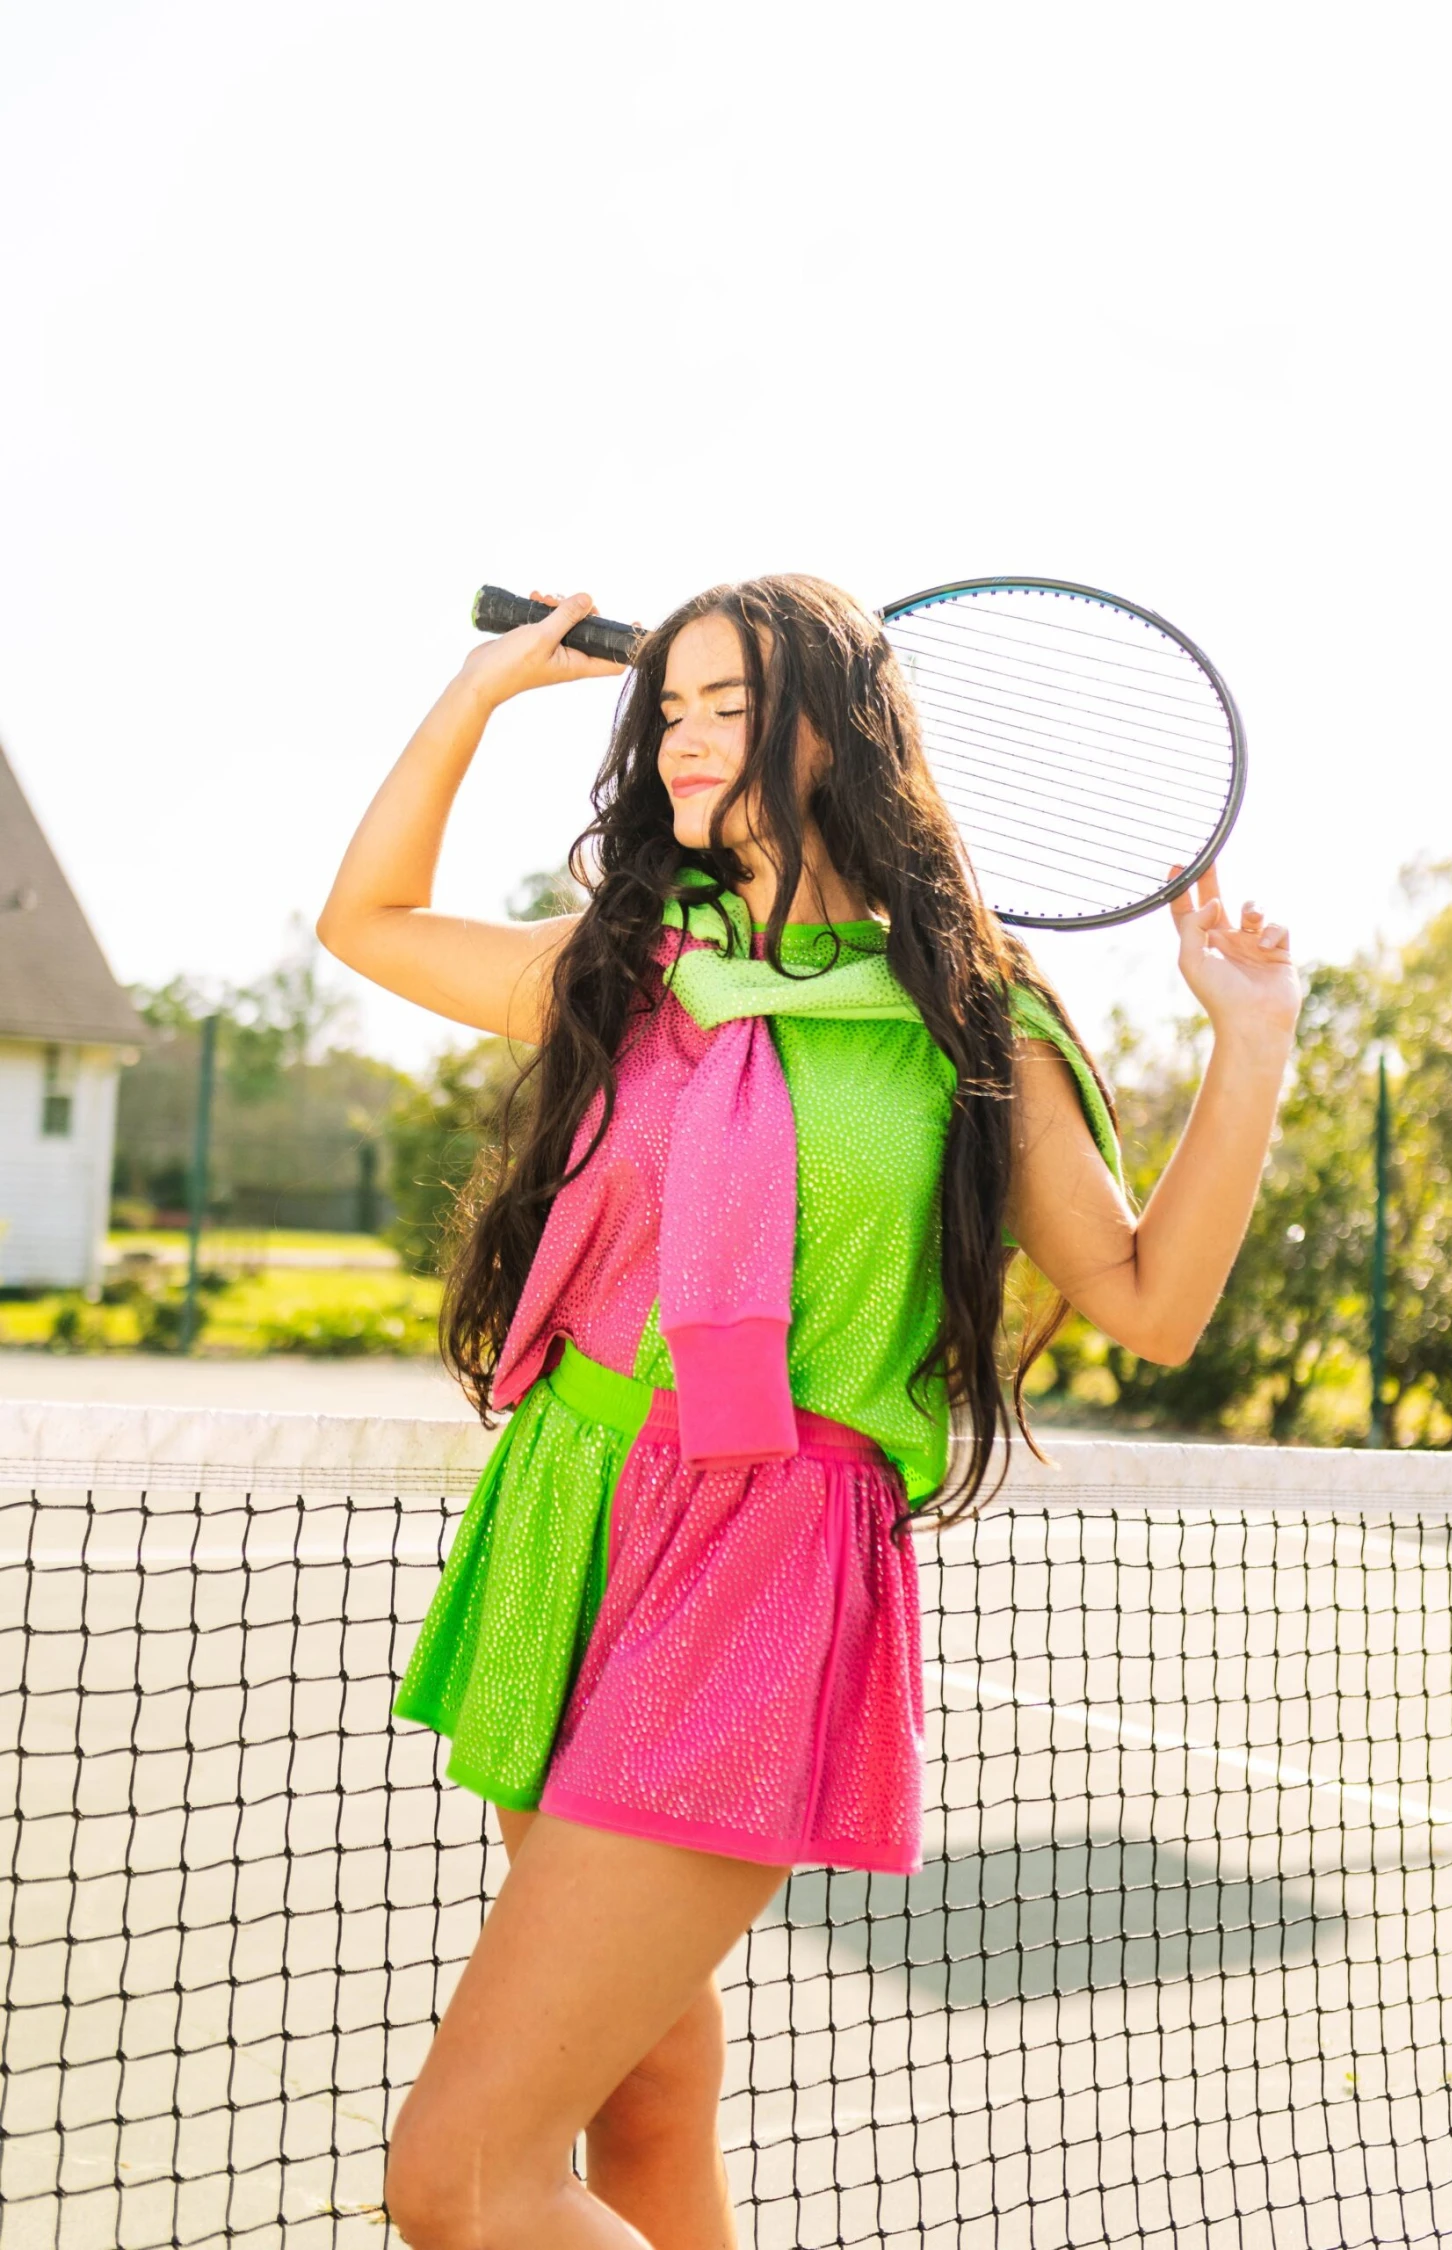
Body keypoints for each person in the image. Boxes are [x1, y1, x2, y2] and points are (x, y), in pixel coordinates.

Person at [315, 573, 1298, 2250]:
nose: (686, 747)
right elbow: (369, 922)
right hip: (573, 1521)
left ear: (835, 733)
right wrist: (480, 695)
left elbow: (1151, 1297)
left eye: (730, 708)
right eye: (670, 709)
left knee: (461, 2179)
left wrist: (1253, 1048)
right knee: (638, 2088)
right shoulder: (633, 966)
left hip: (759, 1566)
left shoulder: (972, 1021)